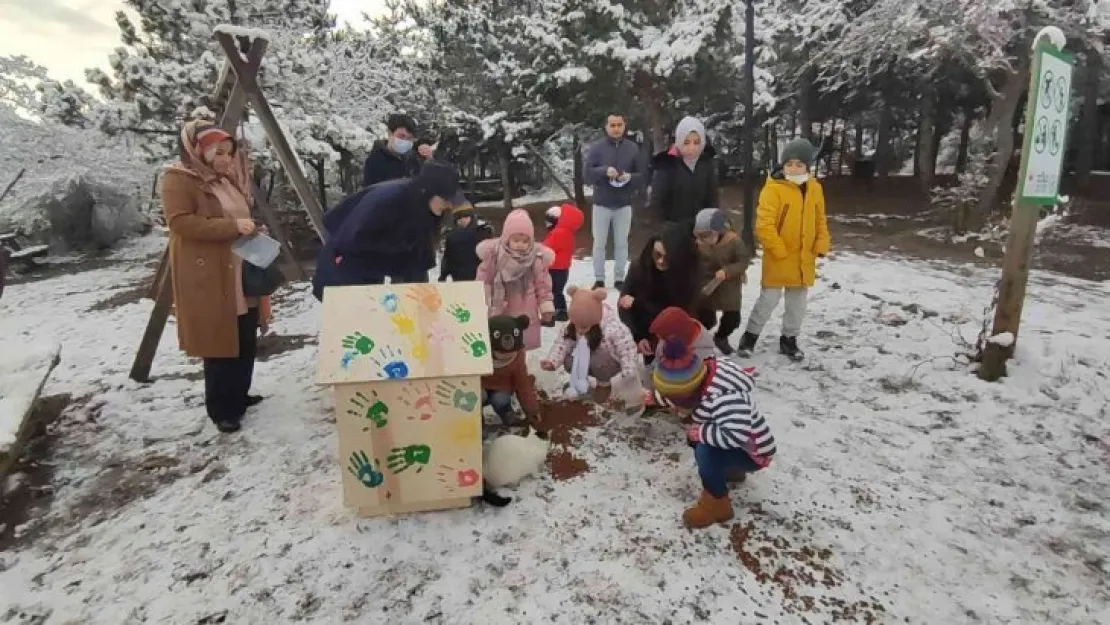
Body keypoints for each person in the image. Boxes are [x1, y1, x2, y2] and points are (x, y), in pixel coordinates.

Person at [162, 120, 272, 433]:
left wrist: (250, 229)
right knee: (219, 339)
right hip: (209, 271)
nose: (226, 158)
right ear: (198, 151)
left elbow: (240, 217)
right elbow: (180, 222)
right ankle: (222, 408)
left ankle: (239, 394)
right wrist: (232, 228)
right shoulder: (179, 179)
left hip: (240, 266)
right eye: (219, 152)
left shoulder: (226, 180)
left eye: (228, 152)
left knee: (243, 332)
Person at [652, 337, 775, 528]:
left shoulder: (724, 399)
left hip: (752, 452)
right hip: (737, 443)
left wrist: (700, 433)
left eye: (677, 399)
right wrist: (654, 397)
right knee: (701, 440)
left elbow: (735, 435)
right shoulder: (700, 375)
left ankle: (717, 503)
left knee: (704, 450)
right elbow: (675, 391)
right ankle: (730, 470)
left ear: (690, 390)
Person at [312, 161, 468, 300]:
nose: (449, 205)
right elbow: (353, 239)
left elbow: (418, 258)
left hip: (370, 268)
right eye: (445, 200)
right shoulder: (389, 200)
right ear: (427, 192)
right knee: (355, 318)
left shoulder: (425, 210)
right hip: (343, 265)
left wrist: (421, 294)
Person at [737, 138, 830, 361]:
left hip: (803, 257)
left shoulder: (815, 189)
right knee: (768, 299)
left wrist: (822, 242)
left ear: (808, 167)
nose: (793, 168)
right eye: (789, 164)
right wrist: (778, 249)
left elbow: (820, 219)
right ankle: (750, 336)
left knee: (797, 303)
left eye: (799, 164)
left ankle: (789, 339)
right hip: (779, 257)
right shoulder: (773, 189)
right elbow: (764, 224)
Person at [540, 286, 640, 402]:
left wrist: (628, 371)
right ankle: (580, 382)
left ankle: (604, 385)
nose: (580, 330)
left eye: (584, 326)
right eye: (576, 325)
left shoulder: (613, 329)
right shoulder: (571, 326)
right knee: (568, 359)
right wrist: (552, 361)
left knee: (600, 360)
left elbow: (627, 350)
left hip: (607, 364)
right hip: (585, 360)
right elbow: (562, 344)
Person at [616, 223, 700, 359]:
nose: (661, 261)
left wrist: (639, 303)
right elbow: (624, 307)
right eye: (657, 254)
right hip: (644, 331)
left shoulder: (687, 274)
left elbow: (681, 311)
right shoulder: (639, 268)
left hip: (675, 334)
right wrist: (638, 337)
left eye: (667, 258)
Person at [476, 208, 555, 351]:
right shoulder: (494, 256)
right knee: (502, 340)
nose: (520, 244)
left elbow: (542, 284)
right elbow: (484, 279)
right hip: (502, 307)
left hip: (526, 307)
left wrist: (546, 305)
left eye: (525, 241)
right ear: (507, 238)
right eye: (516, 240)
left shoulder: (535, 258)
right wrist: (482, 299)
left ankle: (520, 368)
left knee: (520, 342)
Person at [584, 112, 645, 289]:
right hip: (602, 203)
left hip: (624, 204)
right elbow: (587, 174)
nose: (616, 128)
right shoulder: (597, 148)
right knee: (599, 243)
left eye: (619, 125)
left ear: (624, 126)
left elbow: (641, 175)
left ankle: (620, 278)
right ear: (606, 127)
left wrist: (629, 177)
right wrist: (604, 171)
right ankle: (599, 278)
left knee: (621, 242)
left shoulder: (633, 148)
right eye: (612, 125)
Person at [692, 208, 751, 354]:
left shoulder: (734, 242)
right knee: (705, 319)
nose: (702, 239)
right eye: (699, 235)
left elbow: (743, 261)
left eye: (706, 235)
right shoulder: (700, 244)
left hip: (728, 286)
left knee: (733, 319)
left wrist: (728, 271)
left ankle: (721, 337)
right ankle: (698, 343)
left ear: (718, 231)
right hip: (707, 285)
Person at [649, 116, 720, 228]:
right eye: (686, 143)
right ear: (679, 141)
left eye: (696, 142)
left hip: (701, 232)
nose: (692, 148)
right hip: (673, 232)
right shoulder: (667, 163)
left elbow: (712, 199)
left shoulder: (706, 164)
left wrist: (713, 227)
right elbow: (656, 205)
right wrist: (661, 236)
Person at [362, 113, 435, 187]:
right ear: (390, 133)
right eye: (401, 136)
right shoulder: (375, 161)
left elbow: (432, 185)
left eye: (409, 138)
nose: (405, 141)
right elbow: (371, 194)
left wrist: (430, 160)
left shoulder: (414, 159)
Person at [542, 203, 584, 322]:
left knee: (551, 291)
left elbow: (548, 248)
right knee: (557, 291)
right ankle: (561, 310)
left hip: (554, 268)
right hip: (563, 269)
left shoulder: (558, 233)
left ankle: (554, 313)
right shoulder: (568, 232)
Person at [439, 203, 493, 282]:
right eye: (458, 217)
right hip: (459, 277)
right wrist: (443, 275)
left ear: (472, 217)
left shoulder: (483, 232)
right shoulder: (452, 236)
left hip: (479, 276)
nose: (462, 220)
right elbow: (448, 257)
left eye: (465, 216)